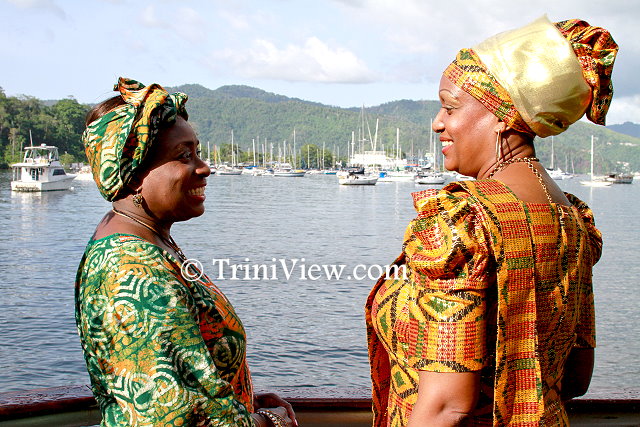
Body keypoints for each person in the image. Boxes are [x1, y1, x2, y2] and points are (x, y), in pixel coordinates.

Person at [366, 16, 617, 426]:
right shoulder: (572, 219)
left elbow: (447, 406)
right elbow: (576, 377)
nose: (437, 122)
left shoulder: (463, 223)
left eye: (450, 106)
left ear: (503, 114)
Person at [75, 77, 297, 427]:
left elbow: (185, 377)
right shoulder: (134, 271)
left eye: (198, 152)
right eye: (184, 156)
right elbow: (175, 417)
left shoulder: (148, 241)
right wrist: (271, 421)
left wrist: (244, 398)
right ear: (134, 175)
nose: (205, 167)